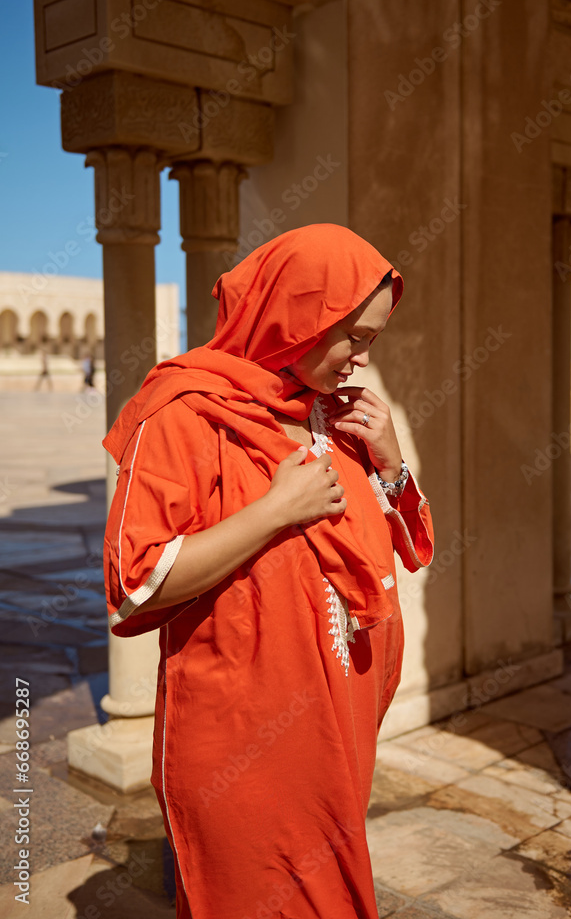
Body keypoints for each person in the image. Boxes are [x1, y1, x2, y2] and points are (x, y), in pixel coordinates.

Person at [103, 223, 434, 919]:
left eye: (370, 341)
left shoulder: (329, 415)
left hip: (332, 729)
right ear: (296, 317)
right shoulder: (185, 414)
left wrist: (391, 463)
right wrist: (275, 511)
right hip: (240, 740)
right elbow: (135, 583)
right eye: (353, 337)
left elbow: (398, 545)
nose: (360, 360)